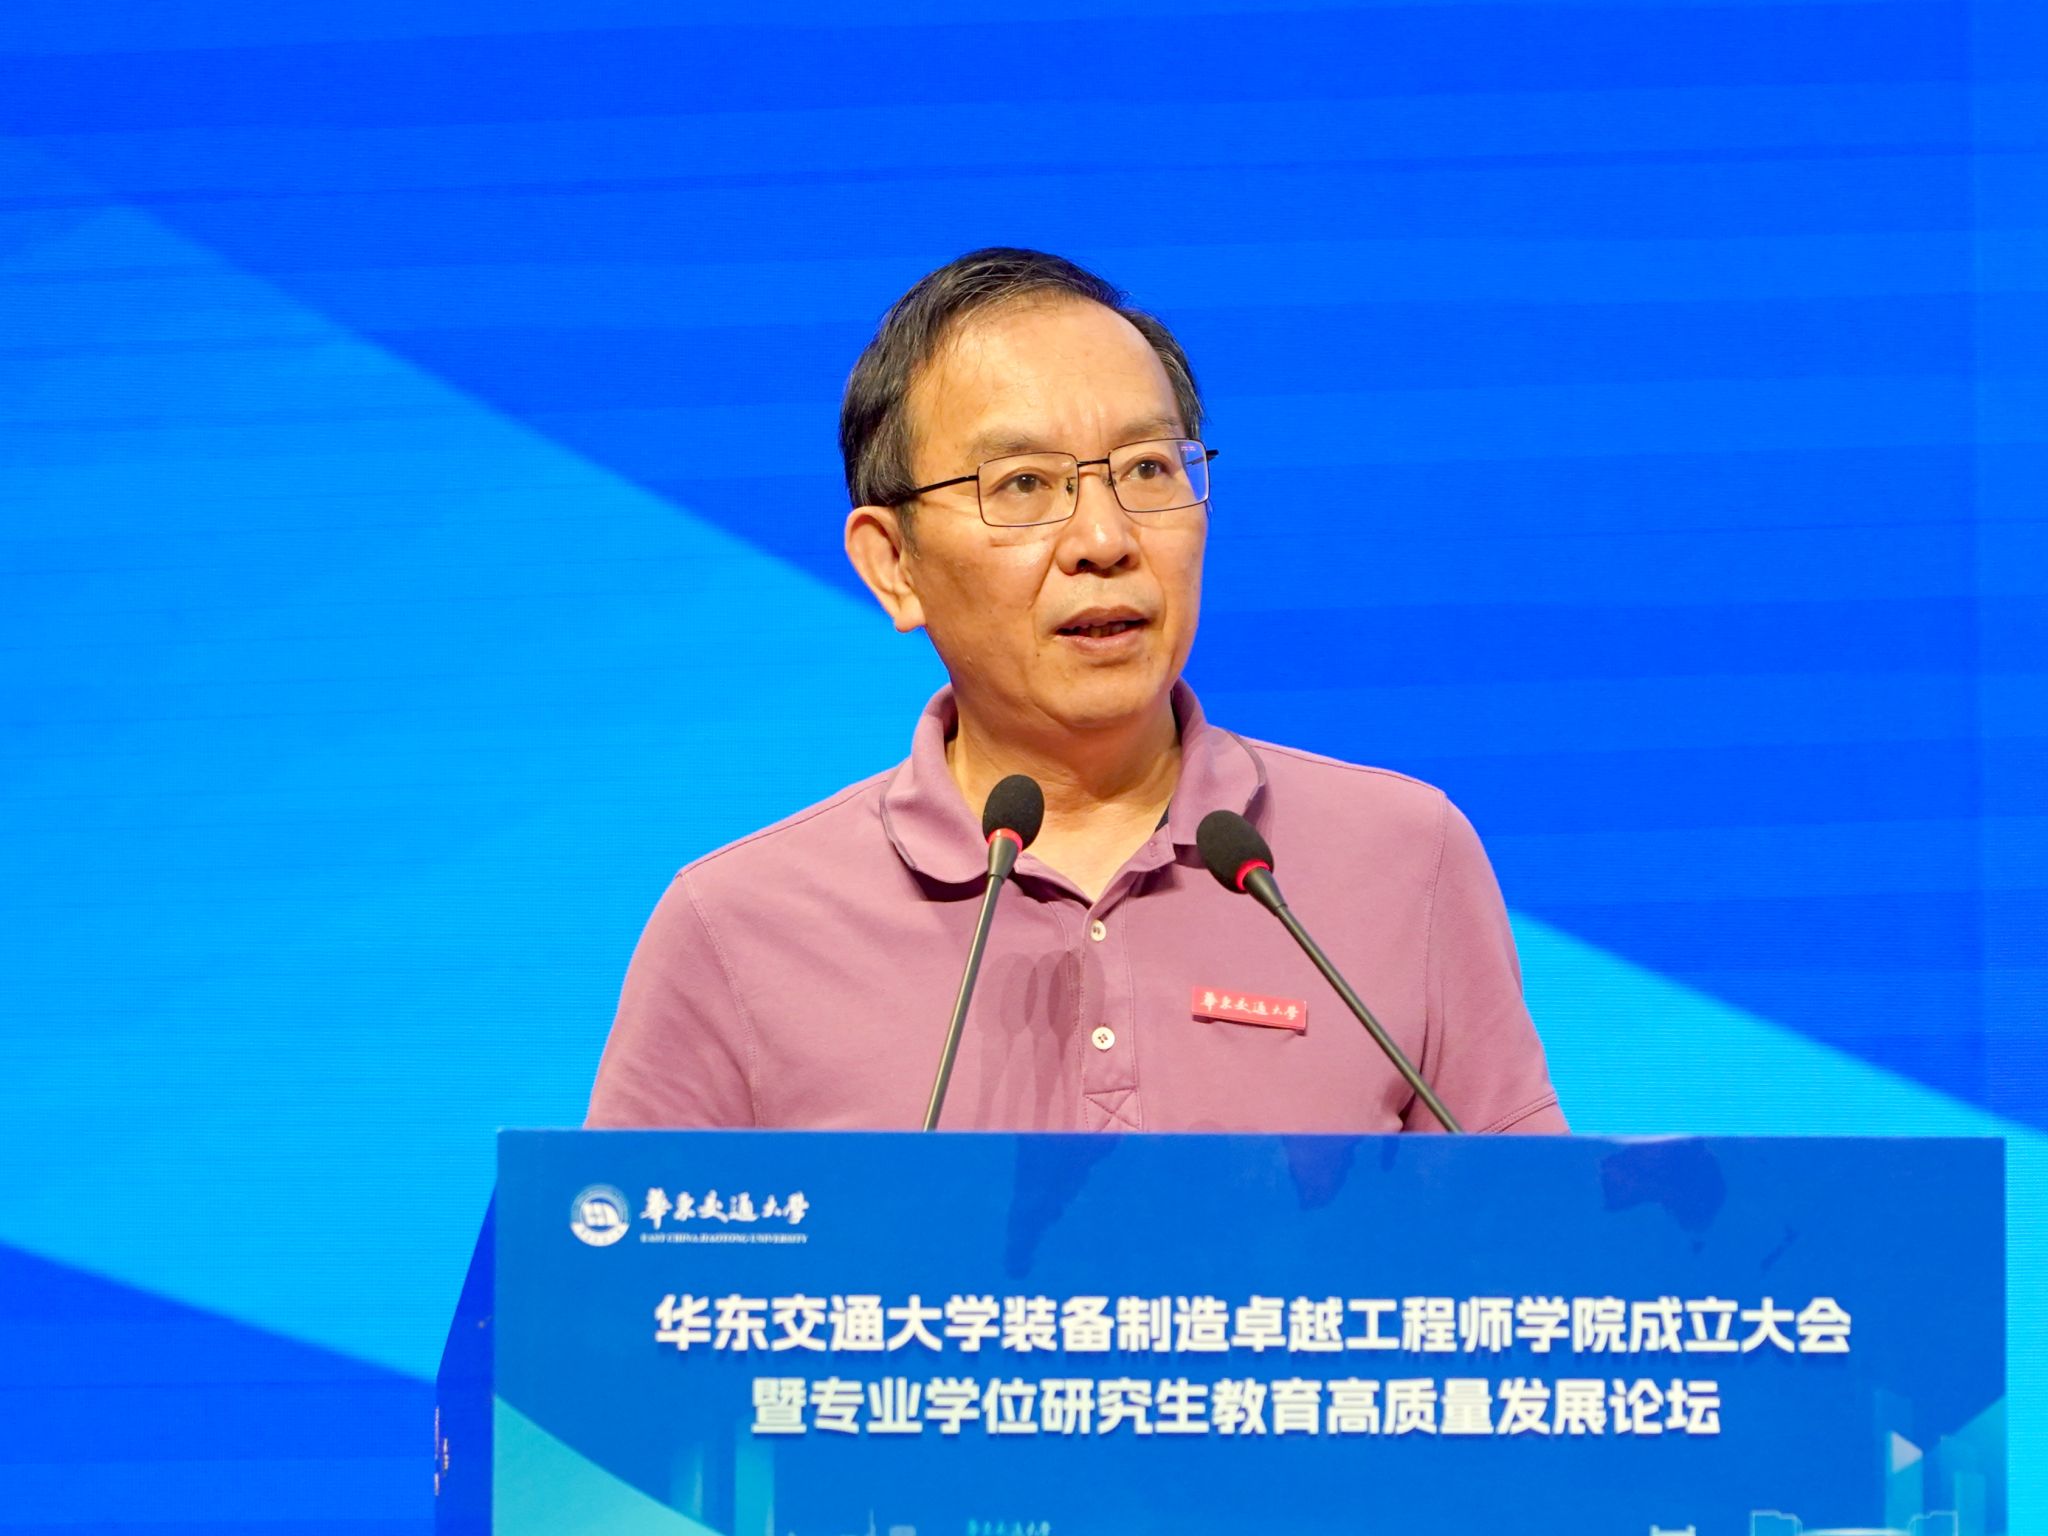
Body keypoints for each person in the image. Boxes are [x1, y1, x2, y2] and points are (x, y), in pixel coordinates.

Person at [585, 248, 1563, 1134]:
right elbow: (612, 1268)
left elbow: (1538, 1251)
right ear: (893, 566)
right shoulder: (738, 928)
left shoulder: (1405, 859)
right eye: (1022, 484)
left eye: (1147, 468)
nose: (1104, 540)